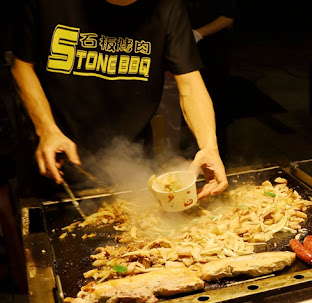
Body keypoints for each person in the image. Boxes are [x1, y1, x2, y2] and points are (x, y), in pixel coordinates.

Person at [10, 0, 228, 199]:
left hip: (132, 161)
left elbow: (190, 82)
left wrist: (209, 146)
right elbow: (21, 66)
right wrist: (46, 129)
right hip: (58, 155)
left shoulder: (167, 5)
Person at [186, 0, 236, 160]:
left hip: (215, 51)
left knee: (217, 102)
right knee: (191, 97)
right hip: (188, 51)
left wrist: (199, 33)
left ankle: (219, 156)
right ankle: (197, 152)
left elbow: (229, 18)